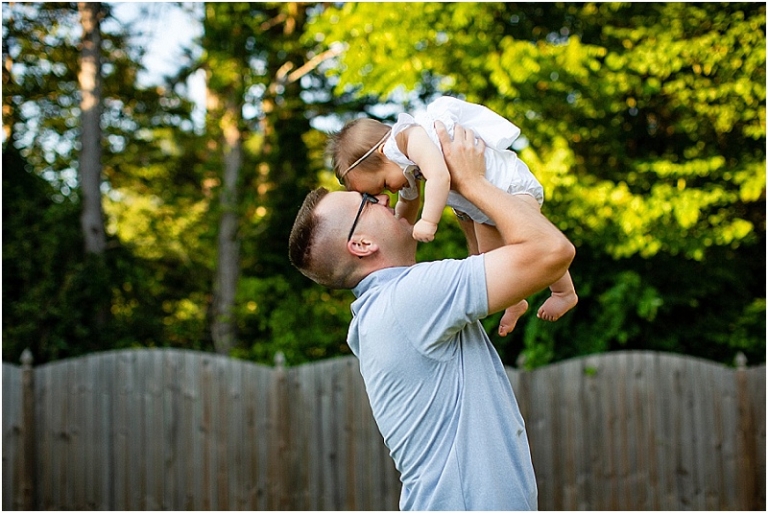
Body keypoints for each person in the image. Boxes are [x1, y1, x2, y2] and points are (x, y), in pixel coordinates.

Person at [289, 121, 575, 510]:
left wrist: (465, 205)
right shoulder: (406, 300)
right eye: (369, 202)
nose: (385, 198)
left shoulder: (392, 308)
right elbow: (552, 252)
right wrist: (473, 182)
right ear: (361, 244)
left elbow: (493, 260)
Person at [327, 96, 578, 335]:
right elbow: (408, 203)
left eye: (383, 184)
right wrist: (400, 226)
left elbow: (439, 176)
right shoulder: (403, 168)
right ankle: (514, 300)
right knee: (490, 259)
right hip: (481, 205)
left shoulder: (409, 138)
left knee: (536, 242)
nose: (390, 192)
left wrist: (428, 221)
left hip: (509, 185)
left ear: (383, 151)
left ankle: (563, 292)